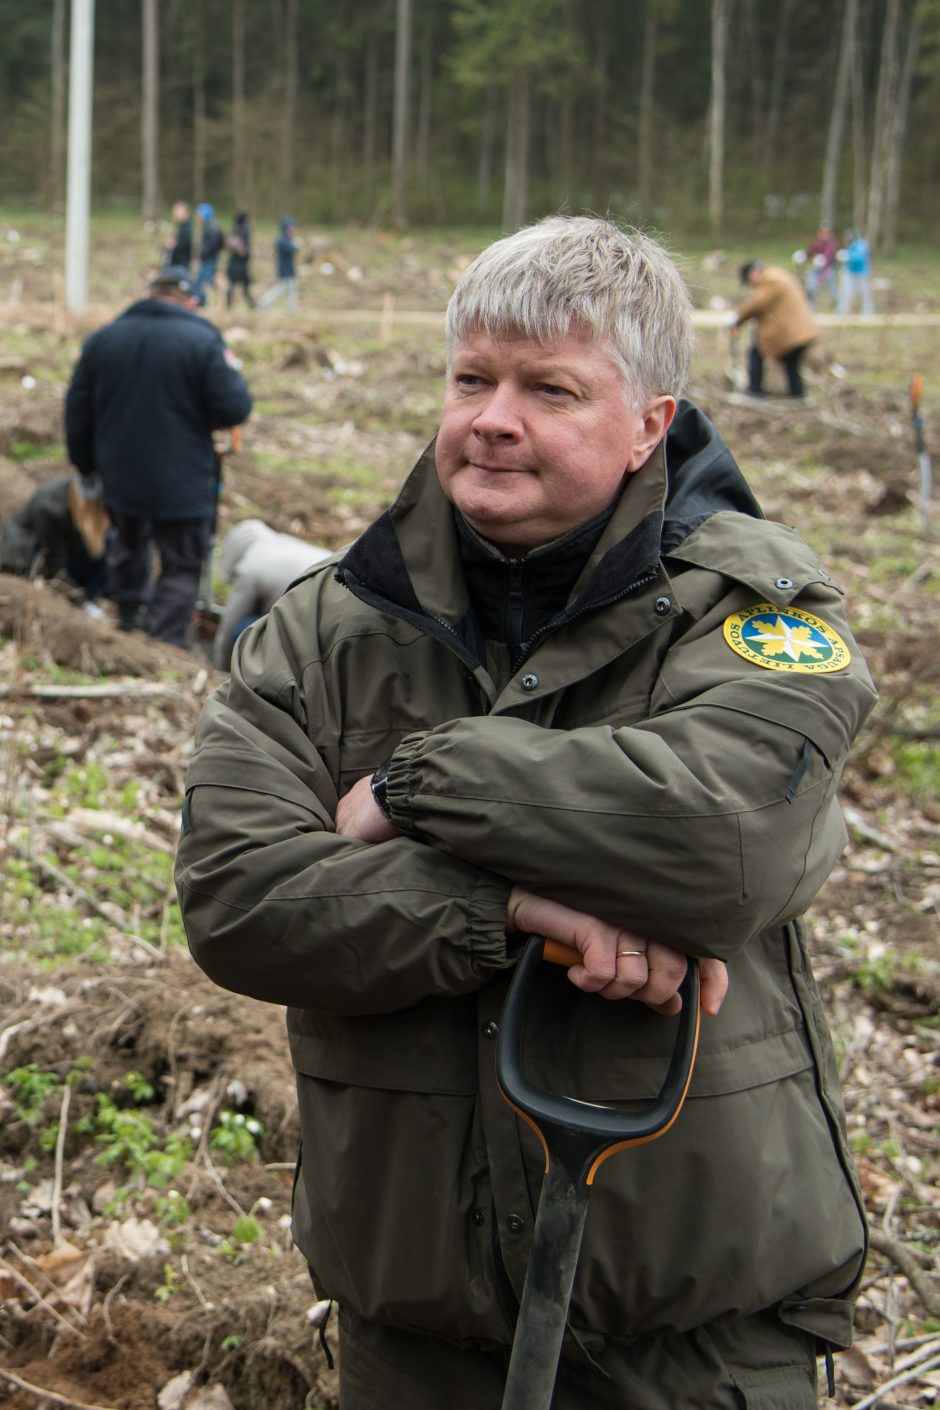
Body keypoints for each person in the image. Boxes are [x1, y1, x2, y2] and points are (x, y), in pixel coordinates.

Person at [176, 216, 876, 1410]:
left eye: (549, 388)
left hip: (693, 1340)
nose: (492, 418)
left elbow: (726, 842)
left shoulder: (751, 615)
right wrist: (506, 902)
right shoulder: (319, 630)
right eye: (471, 379)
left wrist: (414, 788)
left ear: (651, 421)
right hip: (415, 1330)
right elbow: (241, 902)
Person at [64, 265, 252, 645]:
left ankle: (129, 620)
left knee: (128, 544)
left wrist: (86, 466)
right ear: (187, 300)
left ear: (150, 294)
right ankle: (163, 643)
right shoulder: (201, 340)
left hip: (120, 474)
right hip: (182, 478)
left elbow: (76, 412)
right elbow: (235, 406)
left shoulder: (104, 339)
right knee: (182, 563)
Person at [212, 518, 331, 670]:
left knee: (242, 631)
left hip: (314, 627)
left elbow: (230, 624)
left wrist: (219, 668)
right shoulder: (281, 544)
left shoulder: (250, 566)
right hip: (337, 611)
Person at [0, 473, 109, 606]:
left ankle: (91, 599)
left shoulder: (90, 493)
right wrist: (83, 603)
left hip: (65, 549)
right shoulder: (51, 508)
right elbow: (55, 567)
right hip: (28, 554)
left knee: (109, 545)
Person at [731, 258, 819, 397]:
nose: (751, 285)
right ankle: (797, 395)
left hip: (791, 332)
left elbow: (757, 304)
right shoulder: (777, 274)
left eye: (749, 281)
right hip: (798, 331)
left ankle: (755, 391)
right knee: (791, 364)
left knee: (757, 352)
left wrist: (737, 317)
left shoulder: (770, 280)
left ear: (753, 273)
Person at [257, 218, 299, 313]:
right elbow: (290, 249)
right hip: (285, 269)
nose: (293, 228)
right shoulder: (282, 239)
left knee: (292, 289)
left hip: (289, 269)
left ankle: (292, 310)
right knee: (280, 289)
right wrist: (296, 245)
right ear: (287, 227)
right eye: (292, 226)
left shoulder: (287, 238)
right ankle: (263, 303)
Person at [193, 203, 226, 308]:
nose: (197, 218)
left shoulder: (211, 227)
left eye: (198, 215)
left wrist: (201, 254)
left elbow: (211, 245)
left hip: (209, 258)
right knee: (205, 280)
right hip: (210, 257)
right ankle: (203, 302)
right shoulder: (210, 226)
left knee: (201, 282)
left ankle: (201, 302)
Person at [838, 230, 875, 317]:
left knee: (865, 293)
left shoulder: (861, 244)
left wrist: (848, 256)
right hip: (852, 272)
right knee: (846, 291)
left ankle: (868, 311)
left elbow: (860, 256)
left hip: (863, 273)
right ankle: (843, 309)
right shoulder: (850, 246)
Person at [803, 220, 838, 308]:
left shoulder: (832, 243)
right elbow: (810, 252)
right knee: (810, 286)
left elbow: (830, 253)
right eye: (822, 232)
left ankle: (839, 307)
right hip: (817, 269)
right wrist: (803, 256)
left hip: (829, 269)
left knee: (832, 289)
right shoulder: (816, 242)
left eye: (826, 232)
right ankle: (811, 307)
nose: (824, 234)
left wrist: (823, 259)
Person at [225, 211, 254, 310]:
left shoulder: (236, 230)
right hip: (240, 263)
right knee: (242, 286)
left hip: (236, 262)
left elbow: (229, 243)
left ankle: (229, 305)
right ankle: (251, 305)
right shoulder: (244, 230)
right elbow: (242, 249)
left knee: (236, 285)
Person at [163, 201, 193, 270]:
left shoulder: (187, 226)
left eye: (176, 211)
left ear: (183, 211)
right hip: (179, 261)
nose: (174, 214)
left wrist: (174, 244)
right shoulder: (182, 225)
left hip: (181, 263)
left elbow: (185, 243)